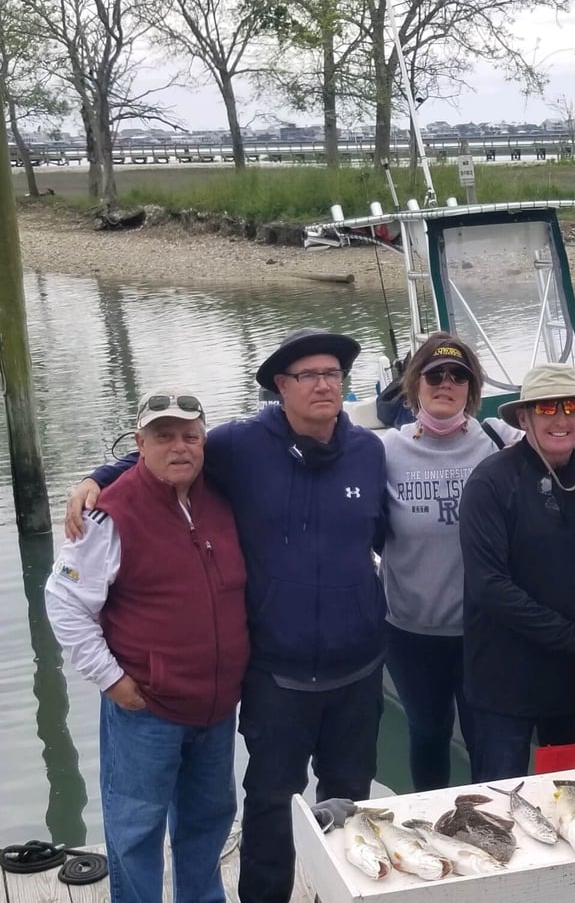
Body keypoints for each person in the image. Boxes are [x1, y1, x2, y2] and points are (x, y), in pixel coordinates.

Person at [64, 329, 386, 903]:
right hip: (271, 676)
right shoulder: (241, 446)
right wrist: (98, 477)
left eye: (332, 374)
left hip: (351, 671)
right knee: (262, 804)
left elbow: (177, 452)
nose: (323, 384)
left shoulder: (370, 451)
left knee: (328, 804)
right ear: (280, 388)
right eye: (307, 375)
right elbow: (164, 457)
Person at [46, 389, 250, 903]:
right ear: (139, 444)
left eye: (190, 436)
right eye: (163, 437)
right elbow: (64, 603)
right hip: (145, 709)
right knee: (135, 831)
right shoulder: (107, 514)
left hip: (216, 707)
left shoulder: (222, 496)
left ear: (204, 442)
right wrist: (112, 680)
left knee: (208, 823)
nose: (179, 447)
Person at [458, 363, 575, 782]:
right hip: (503, 682)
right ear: (523, 417)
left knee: (573, 803)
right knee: (497, 806)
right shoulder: (490, 483)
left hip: (573, 682)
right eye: (546, 407)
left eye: (571, 405)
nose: (560, 418)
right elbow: (489, 587)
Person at [380, 331, 521, 791]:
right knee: (428, 733)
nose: (446, 383)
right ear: (414, 383)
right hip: (410, 632)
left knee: (487, 741)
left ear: (472, 388)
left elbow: (564, 439)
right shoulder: (386, 451)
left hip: (483, 633)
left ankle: (487, 831)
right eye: (434, 374)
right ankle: (430, 825)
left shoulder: (500, 441)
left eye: (457, 375)